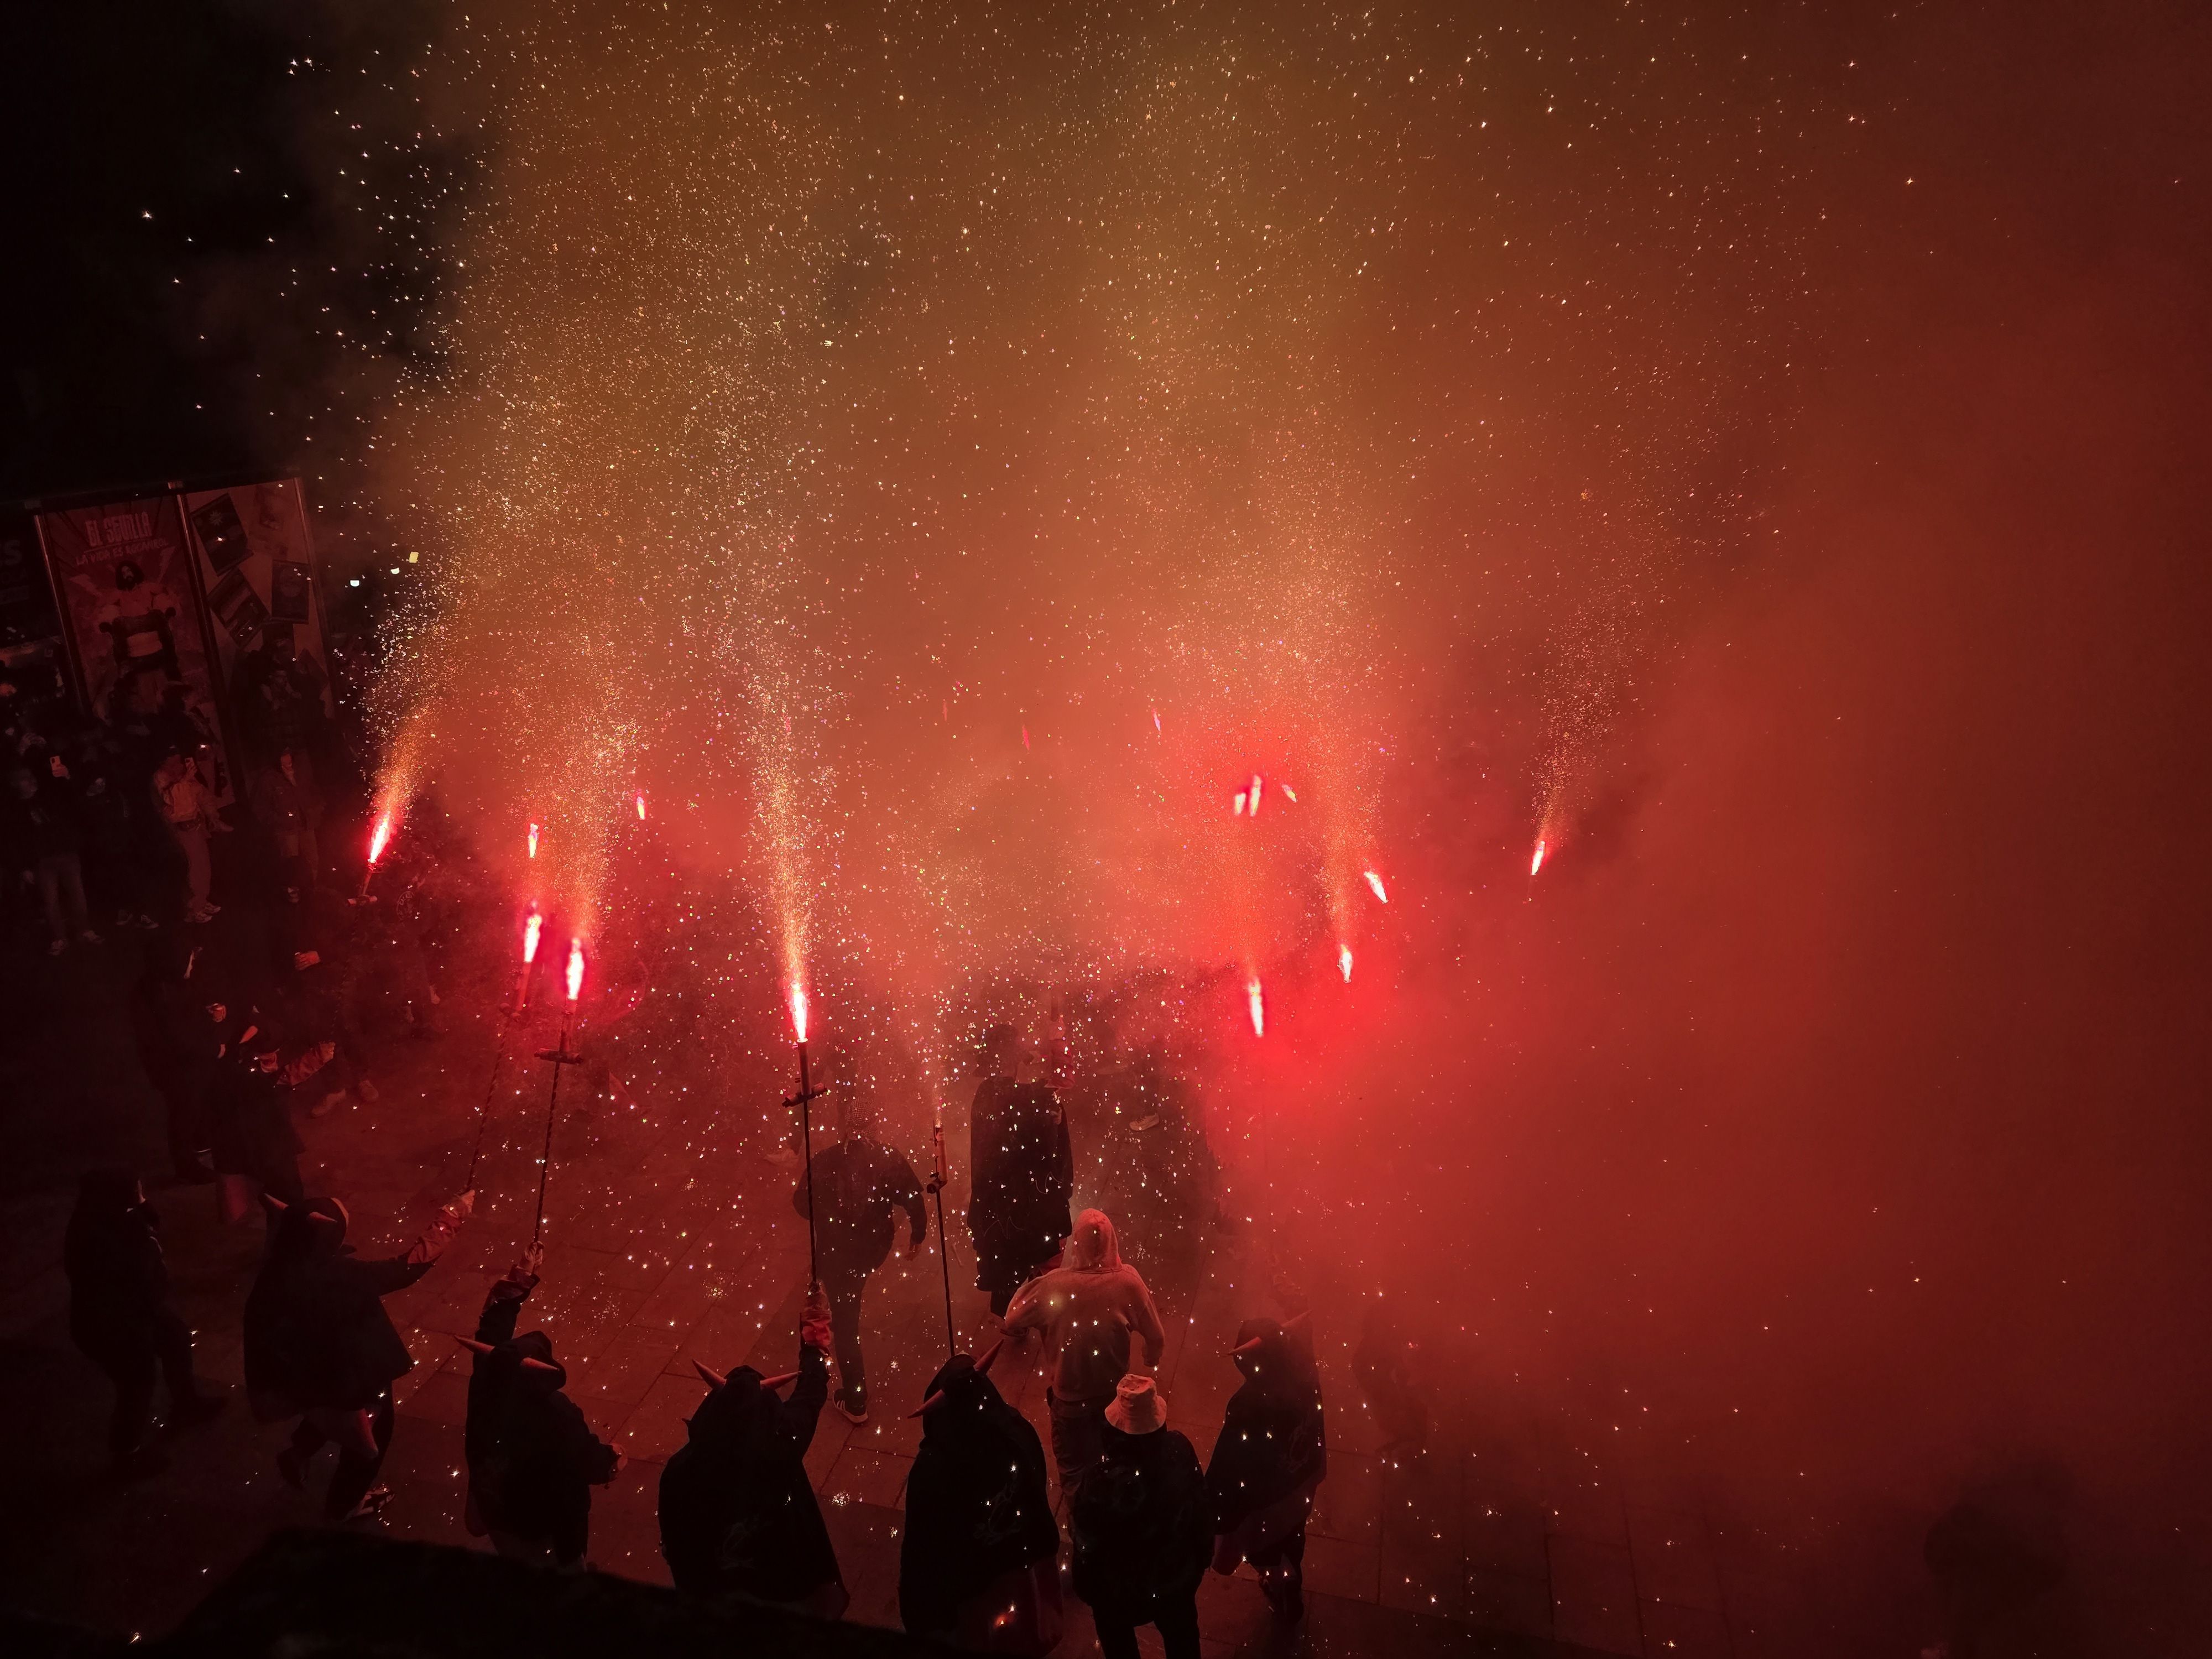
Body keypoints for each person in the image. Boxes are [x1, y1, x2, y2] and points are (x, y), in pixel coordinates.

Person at [244, 1189, 472, 1522]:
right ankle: (346, 1503)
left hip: (308, 1370)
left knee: (325, 1408)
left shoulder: (279, 1268)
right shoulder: (338, 1275)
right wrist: (450, 1220)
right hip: (353, 1371)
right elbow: (408, 1267)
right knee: (372, 1430)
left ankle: (299, 1452)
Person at [658, 1286, 846, 1616]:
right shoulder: (779, 1448)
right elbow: (809, 1397)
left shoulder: (681, 1470)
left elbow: (679, 1542)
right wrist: (813, 1349)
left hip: (717, 1589)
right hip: (783, 1584)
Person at [459, 1244, 624, 1568]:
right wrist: (615, 1458)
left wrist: (522, 1277)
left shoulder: (489, 1381)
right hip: (540, 1514)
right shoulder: (557, 1414)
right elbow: (590, 1462)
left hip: (494, 1497)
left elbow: (492, 1329)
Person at [900, 1345, 1063, 1653]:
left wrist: (919, 1608)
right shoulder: (1016, 1430)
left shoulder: (934, 1466)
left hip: (974, 1585)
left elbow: (923, 1541)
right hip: (1022, 1564)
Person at [64, 1172, 226, 1476]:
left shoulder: (94, 1217)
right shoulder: (116, 1233)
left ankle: (185, 1403)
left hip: (127, 1311)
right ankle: (126, 1455)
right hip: (112, 1325)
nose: (141, 1192)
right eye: (136, 1189)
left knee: (176, 1338)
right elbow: (149, 1263)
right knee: (137, 1385)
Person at [1003, 1208, 1165, 1501]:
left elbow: (1012, 1318)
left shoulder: (1055, 1286)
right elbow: (1156, 1336)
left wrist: (1039, 1279)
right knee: (1117, 1463)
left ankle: (1084, 1526)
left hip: (1070, 1400)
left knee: (1075, 1471)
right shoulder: (1128, 1283)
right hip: (1114, 1398)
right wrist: (1151, 1358)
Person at [791, 1097, 927, 1425]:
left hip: (839, 1254)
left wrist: (825, 1216)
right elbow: (912, 1197)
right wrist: (917, 1234)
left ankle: (855, 1399)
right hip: (873, 1248)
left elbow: (799, 1202)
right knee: (846, 1300)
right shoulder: (887, 1159)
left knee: (845, 1322)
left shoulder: (825, 1161)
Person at [1070, 1376, 1211, 1659]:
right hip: (1175, 1579)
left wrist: (1088, 1588)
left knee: (1117, 1640)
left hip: (1119, 1593)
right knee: (1182, 1637)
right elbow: (1200, 1506)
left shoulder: (1100, 1483)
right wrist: (1201, 1555)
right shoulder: (1179, 1451)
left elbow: (1087, 1543)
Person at [1206, 1317, 1327, 1618]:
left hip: (1266, 1504)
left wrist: (1211, 1507)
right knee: (1294, 1535)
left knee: (1266, 1551)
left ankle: (1281, 1589)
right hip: (1300, 1486)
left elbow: (1230, 1464)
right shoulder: (1303, 1374)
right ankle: (1291, 1578)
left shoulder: (1249, 1405)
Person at [967, 1023, 1074, 1318]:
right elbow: (1042, 1148)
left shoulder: (987, 1094)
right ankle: (1031, 1312)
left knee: (1010, 1262)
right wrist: (1052, 1118)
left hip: (999, 1200)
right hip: (1026, 1202)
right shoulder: (1024, 1099)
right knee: (1036, 1260)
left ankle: (1017, 1316)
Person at [128, 937, 220, 1182]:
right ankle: (186, 1167)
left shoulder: (165, 984)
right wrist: (214, 1048)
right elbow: (179, 1038)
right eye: (188, 962)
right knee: (183, 1114)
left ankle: (200, 1141)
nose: (191, 967)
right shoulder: (161, 996)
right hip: (177, 1071)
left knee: (193, 1107)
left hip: (180, 1068)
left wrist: (205, 1014)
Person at [4, 763, 101, 954]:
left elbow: (71, 805)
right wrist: (23, 867)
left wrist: (66, 777)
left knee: (77, 895)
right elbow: (14, 841)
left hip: (65, 852)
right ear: (15, 784)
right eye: (25, 778)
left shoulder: (49, 797)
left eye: (31, 775)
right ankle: (60, 938)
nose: (31, 779)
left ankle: (85, 930)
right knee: (51, 901)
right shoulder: (15, 811)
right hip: (41, 860)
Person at [153, 749, 221, 922]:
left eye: (180, 760)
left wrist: (212, 815)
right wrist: (184, 781)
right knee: (192, 869)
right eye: (175, 761)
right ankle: (192, 909)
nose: (180, 765)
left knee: (204, 867)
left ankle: (202, 901)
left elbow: (201, 793)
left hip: (196, 827)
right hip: (180, 830)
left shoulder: (182, 775)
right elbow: (172, 806)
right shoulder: (160, 778)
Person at [250, 748, 322, 901]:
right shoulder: (269, 779)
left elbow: (312, 792)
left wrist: (316, 808)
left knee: (312, 859)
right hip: (286, 829)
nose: (288, 767)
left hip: (306, 824)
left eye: (290, 763)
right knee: (291, 863)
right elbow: (260, 809)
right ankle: (293, 892)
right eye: (284, 764)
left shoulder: (301, 772)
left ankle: (311, 889)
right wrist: (281, 819)